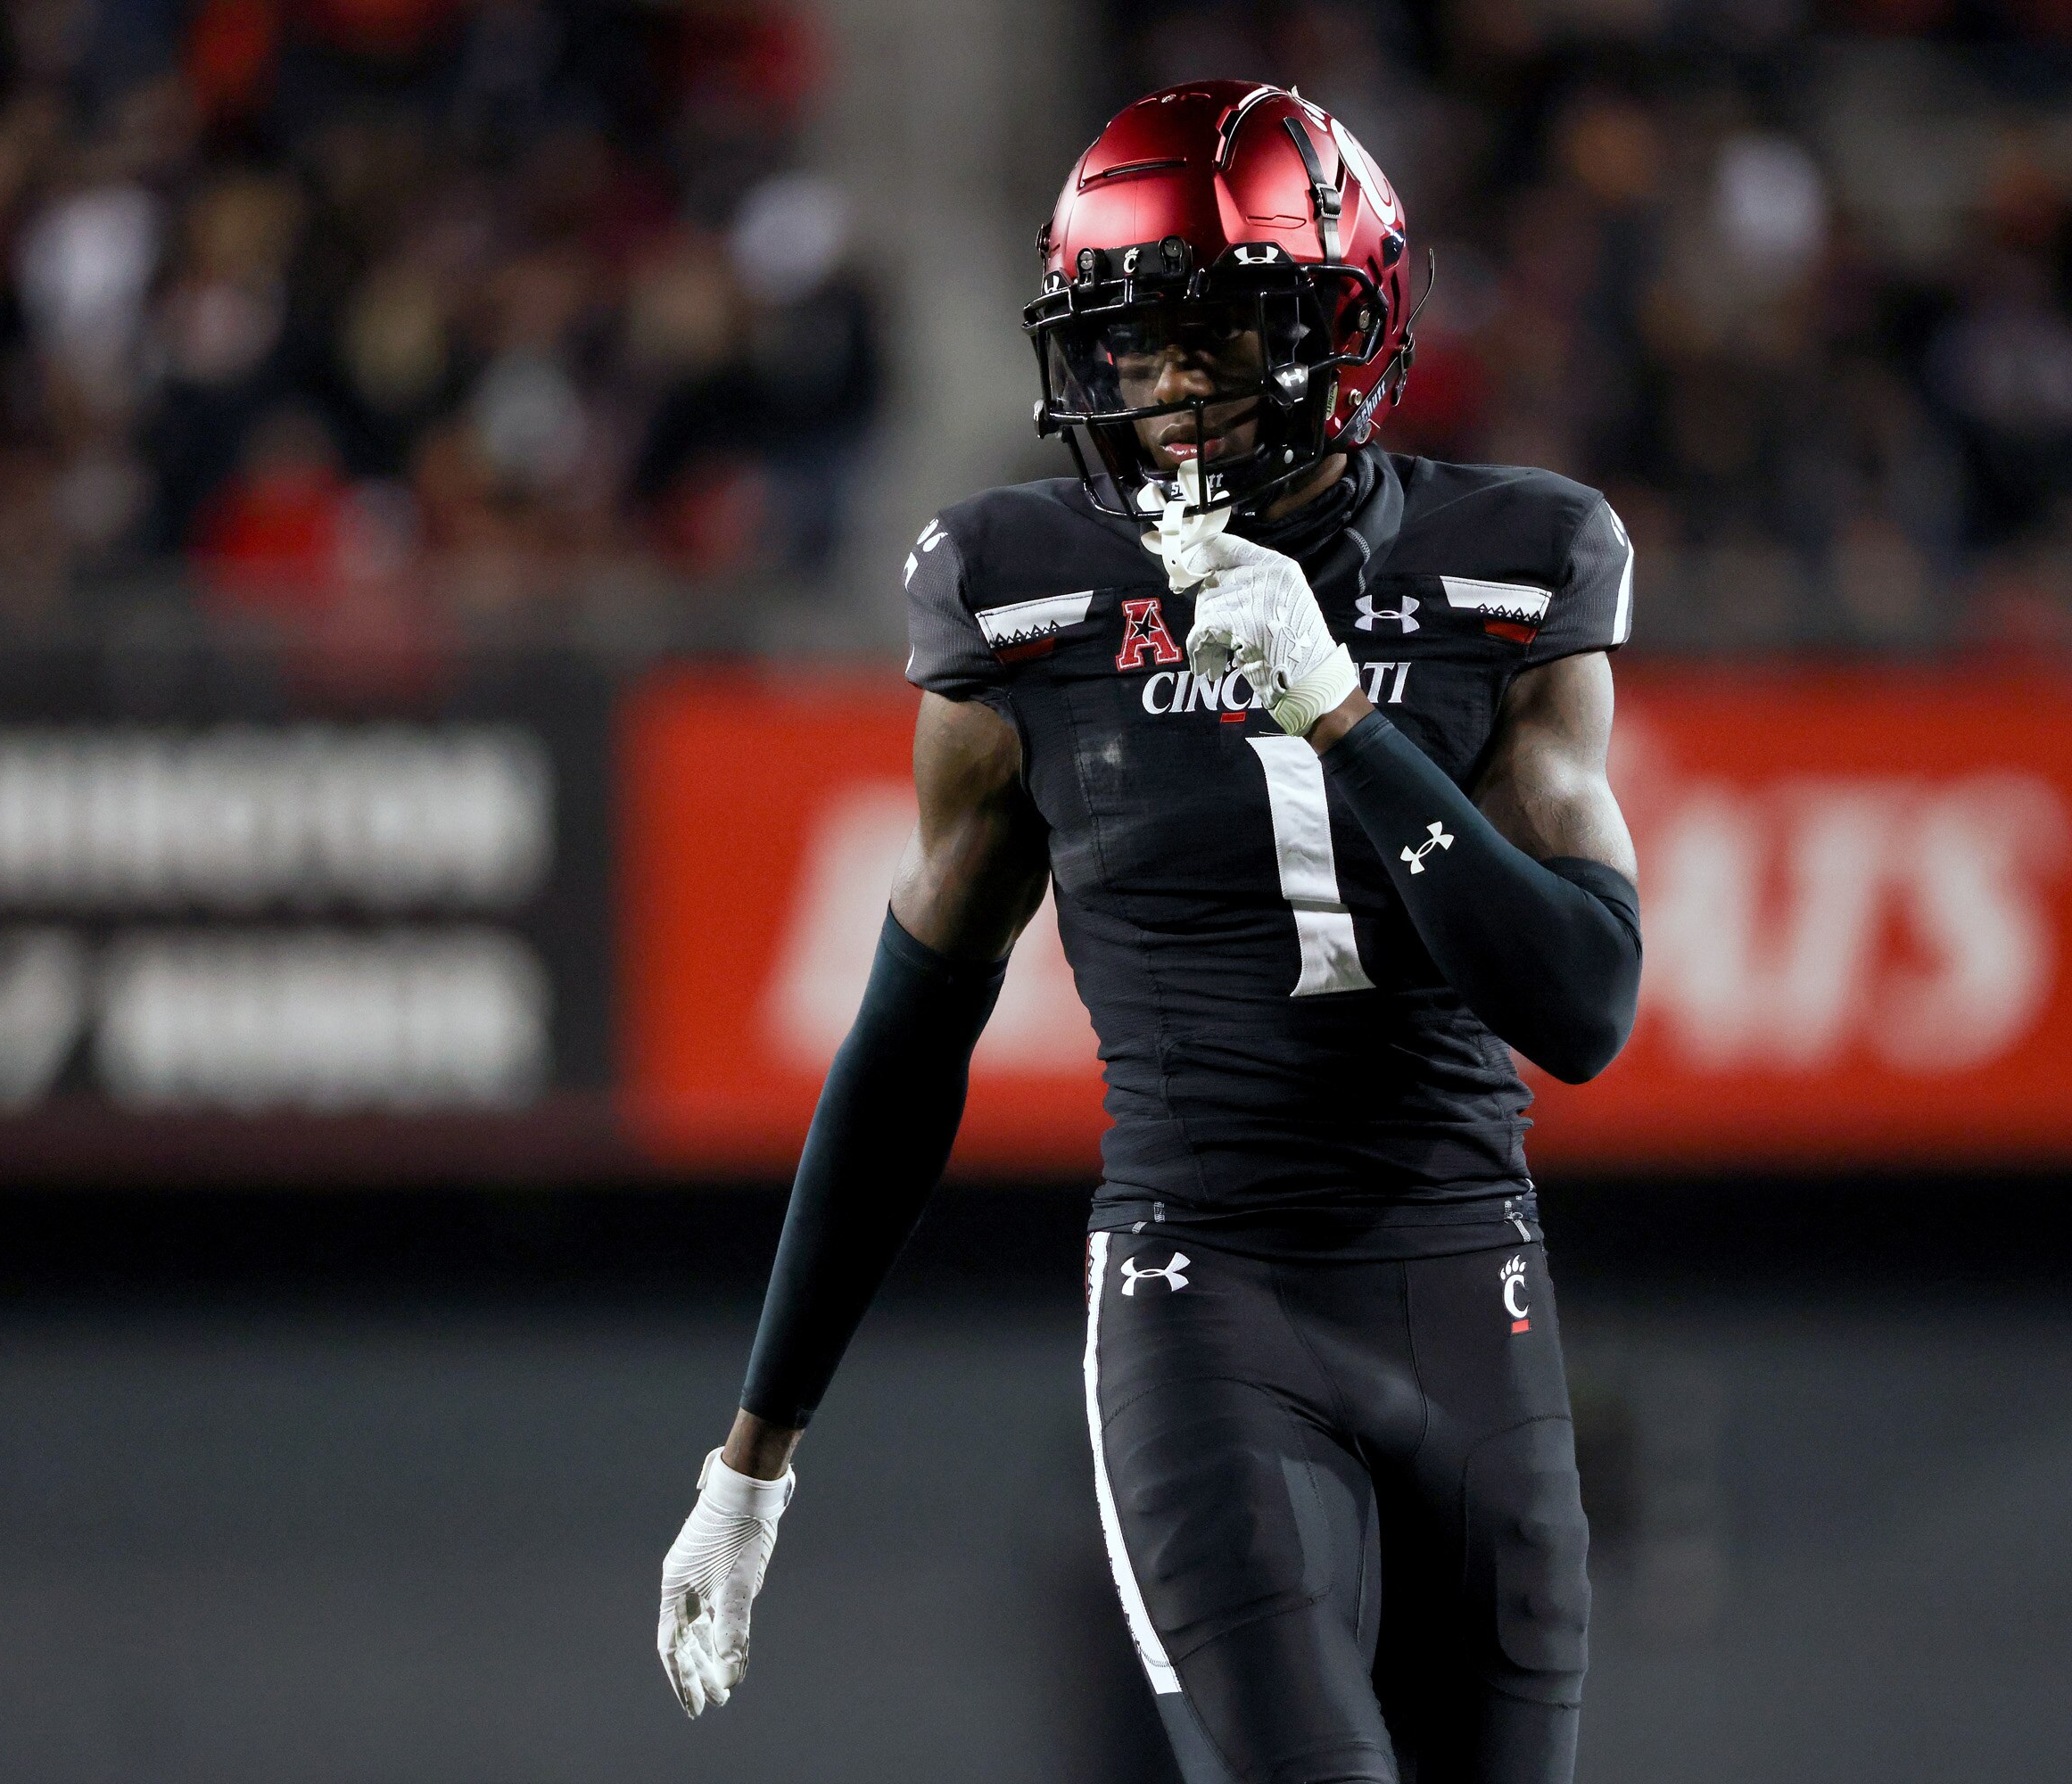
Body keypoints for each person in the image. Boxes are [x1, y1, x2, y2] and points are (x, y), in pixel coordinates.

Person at [656, 80, 1641, 1784]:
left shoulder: (1517, 557)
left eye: (1217, 329)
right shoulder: (1017, 590)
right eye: (1132, 342)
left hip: (1467, 1279)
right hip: (1208, 1298)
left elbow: (1584, 1002)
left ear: (1349, 319)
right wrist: (756, 1455)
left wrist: (1344, 719)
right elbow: (903, 1046)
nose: (1170, 385)